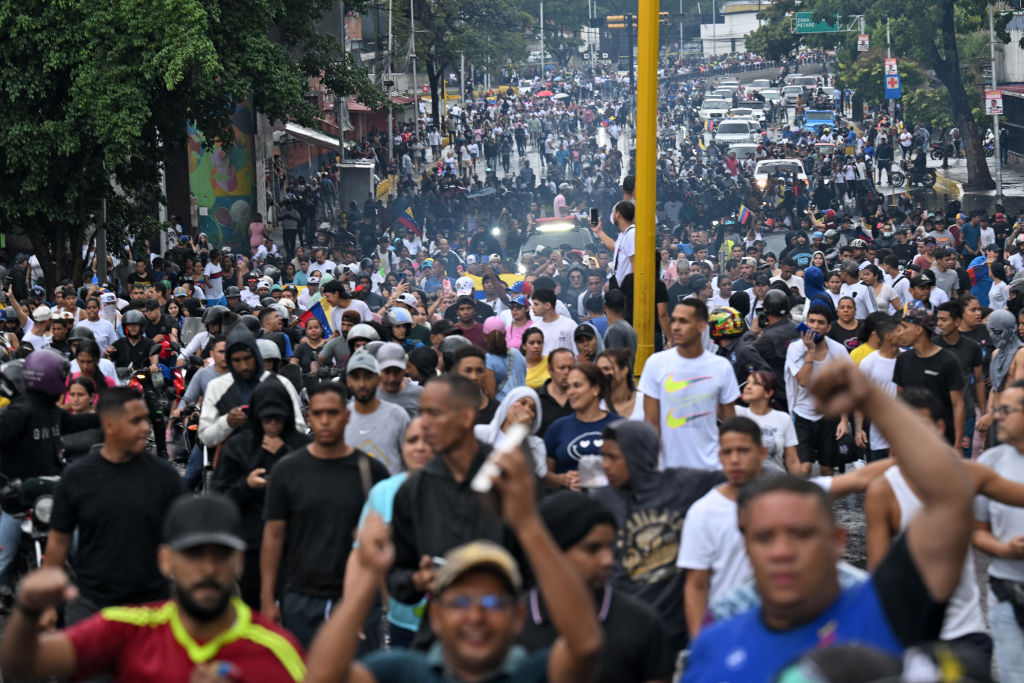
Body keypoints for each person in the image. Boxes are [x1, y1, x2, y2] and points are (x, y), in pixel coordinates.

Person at [683, 361, 975, 681]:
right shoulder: (712, 647)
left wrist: (871, 399)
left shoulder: (882, 610)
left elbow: (950, 495)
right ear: (746, 544)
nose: (782, 552)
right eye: (764, 537)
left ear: (838, 540)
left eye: (802, 534)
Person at [304, 439, 603, 683]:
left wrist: (527, 523)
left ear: (519, 616)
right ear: (435, 615)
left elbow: (586, 645)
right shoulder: (403, 673)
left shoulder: (532, 675)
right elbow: (321, 677)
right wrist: (369, 576)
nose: (475, 617)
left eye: (492, 603)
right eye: (460, 603)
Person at [0, 495, 306, 682]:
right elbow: (21, 663)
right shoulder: (125, 629)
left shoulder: (276, 649)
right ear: (165, 561)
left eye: (221, 555)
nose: (208, 569)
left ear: (239, 561)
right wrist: (27, 610)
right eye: (193, 555)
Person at [261, 382, 389, 648]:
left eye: (333, 413)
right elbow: (273, 536)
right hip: (302, 598)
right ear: (309, 418)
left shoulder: (370, 471)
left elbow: (387, 537)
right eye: (318, 414)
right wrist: (266, 598)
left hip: (359, 599)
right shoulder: (288, 471)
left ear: (347, 415)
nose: (325, 421)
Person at [43, 387, 186, 624]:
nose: (145, 428)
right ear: (109, 425)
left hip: (151, 607)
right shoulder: (77, 477)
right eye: (135, 421)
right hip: (91, 605)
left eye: (146, 419)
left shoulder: (165, 477)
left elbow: (185, 540)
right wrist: (48, 604)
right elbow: (58, 543)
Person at [591, 419, 723, 651]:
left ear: (637, 455)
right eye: (603, 457)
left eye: (613, 457)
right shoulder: (602, 500)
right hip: (622, 629)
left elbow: (741, 477)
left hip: (673, 630)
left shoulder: (681, 485)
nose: (606, 465)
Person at [517, 492, 675, 683]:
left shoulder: (642, 624)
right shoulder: (513, 623)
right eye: (592, 549)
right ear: (554, 551)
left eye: (610, 547)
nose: (608, 560)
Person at [0, 350, 99, 592]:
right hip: (17, 499)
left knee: (79, 548)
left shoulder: (50, 409)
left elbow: (73, 422)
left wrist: (106, 416)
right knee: (4, 556)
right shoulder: (21, 411)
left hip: (52, 495)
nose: (64, 380)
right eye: (61, 375)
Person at [210, 379, 311, 608]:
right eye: (267, 420)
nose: (273, 426)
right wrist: (246, 486)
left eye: (278, 419)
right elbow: (219, 501)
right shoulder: (238, 447)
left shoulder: (301, 446)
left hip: (294, 546)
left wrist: (285, 456)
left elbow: (314, 491)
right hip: (250, 545)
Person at [345, 416, 433, 648]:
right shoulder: (383, 493)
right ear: (401, 447)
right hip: (399, 622)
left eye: (429, 440)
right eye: (412, 440)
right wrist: (351, 612)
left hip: (449, 621)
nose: (421, 447)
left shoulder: (461, 491)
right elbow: (359, 555)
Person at [640, 299, 739, 470]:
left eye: (683, 321)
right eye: (674, 320)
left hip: (711, 469)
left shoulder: (721, 367)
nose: (676, 326)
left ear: (701, 326)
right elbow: (651, 424)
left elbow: (730, 423)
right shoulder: (655, 364)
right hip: (669, 471)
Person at [972, 378, 1024, 680]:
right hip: (1007, 593)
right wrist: (1004, 550)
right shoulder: (989, 464)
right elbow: (976, 530)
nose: (997, 416)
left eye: (1006, 409)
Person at [198, 326, 305, 450]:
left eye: (247, 358)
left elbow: (299, 428)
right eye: (236, 360)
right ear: (229, 360)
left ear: (257, 356)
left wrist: (275, 428)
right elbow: (205, 437)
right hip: (234, 461)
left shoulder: (281, 383)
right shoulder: (216, 386)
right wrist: (227, 422)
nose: (243, 366)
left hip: (275, 460)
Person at [784, 305, 852, 476]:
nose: (814, 326)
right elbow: (803, 381)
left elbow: (846, 388)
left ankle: (826, 502)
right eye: (811, 321)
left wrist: (844, 421)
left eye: (820, 323)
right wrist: (811, 352)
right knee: (803, 468)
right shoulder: (796, 349)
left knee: (827, 468)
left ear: (828, 327)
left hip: (829, 415)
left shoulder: (838, 350)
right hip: (802, 414)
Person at [893, 307, 965, 447]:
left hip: (942, 439)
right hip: (910, 439)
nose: (900, 333)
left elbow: (958, 405)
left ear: (919, 330)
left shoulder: (948, 361)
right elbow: (899, 400)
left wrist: (958, 445)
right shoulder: (903, 359)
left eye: (904, 327)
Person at [544, 362, 620, 487]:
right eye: (568, 387)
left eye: (577, 385)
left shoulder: (619, 426)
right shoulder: (557, 428)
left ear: (595, 389)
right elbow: (545, 475)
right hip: (569, 502)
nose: (571, 392)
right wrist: (562, 479)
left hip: (610, 503)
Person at [344, 350, 411, 475]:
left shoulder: (398, 415)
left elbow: (410, 459)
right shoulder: (341, 418)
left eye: (368, 376)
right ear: (348, 381)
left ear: (379, 379)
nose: (362, 384)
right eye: (356, 377)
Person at [473, 386, 549, 482]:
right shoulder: (479, 433)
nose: (526, 410)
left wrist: (521, 434)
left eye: (532, 409)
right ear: (508, 404)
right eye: (522, 402)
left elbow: (538, 475)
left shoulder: (536, 445)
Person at [857, 316, 902, 461]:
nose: (903, 334)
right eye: (899, 331)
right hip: (878, 438)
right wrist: (859, 429)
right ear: (888, 336)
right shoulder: (868, 363)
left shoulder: (907, 359)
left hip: (904, 438)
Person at [736, 370, 798, 473]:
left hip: (775, 484)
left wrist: (801, 487)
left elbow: (792, 461)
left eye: (756, 383)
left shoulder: (783, 418)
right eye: (748, 383)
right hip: (746, 484)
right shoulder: (737, 413)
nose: (748, 387)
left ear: (769, 393)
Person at [376, 341, 423, 417]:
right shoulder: (369, 396)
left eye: (397, 371)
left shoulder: (420, 395)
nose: (392, 379)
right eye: (387, 372)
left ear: (405, 368)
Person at [596, 347, 644, 421]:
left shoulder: (644, 402)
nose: (602, 374)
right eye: (599, 370)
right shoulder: (596, 405)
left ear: (624, 370)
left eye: (607, 369)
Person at [537, 347, 574, 436]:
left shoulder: (582, 396)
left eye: (570, 368)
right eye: (562, 368)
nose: (567, 372)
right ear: (550, 370)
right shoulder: (536, 398)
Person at [531, 289, 577, 355]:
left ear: (547, 305)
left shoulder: (570, 325)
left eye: (536, 304)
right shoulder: (534, 328)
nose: (532, 307)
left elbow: (577, 353)